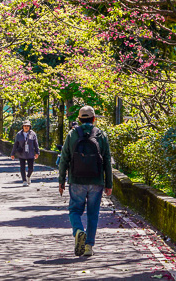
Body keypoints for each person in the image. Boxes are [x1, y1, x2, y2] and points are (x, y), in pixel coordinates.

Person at [58, 106, 112, 258]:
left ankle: (78, 231)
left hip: (77, 180)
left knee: (75, 210)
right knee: (93, 214)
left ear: (80, 120)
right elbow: (107, 160)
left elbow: (64, 159)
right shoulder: (101, 135)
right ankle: (88, 246)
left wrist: (61, 180)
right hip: (96, 180)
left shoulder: (72, 134)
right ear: (94, 119)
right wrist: (109, 184)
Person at [12, 119, 40, 185]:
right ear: (23, 127)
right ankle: (24, 181)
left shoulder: (33, 134)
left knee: (31, 168)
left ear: (30, 127)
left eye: (28, 126)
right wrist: (12, 153)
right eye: (25, 126)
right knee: (22, 168)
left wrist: (37, 152)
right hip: (21, 153)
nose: (26, 127)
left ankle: (28, 177)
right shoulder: (19, 134)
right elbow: (15, 144)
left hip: (30, 153)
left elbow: (36, 144)